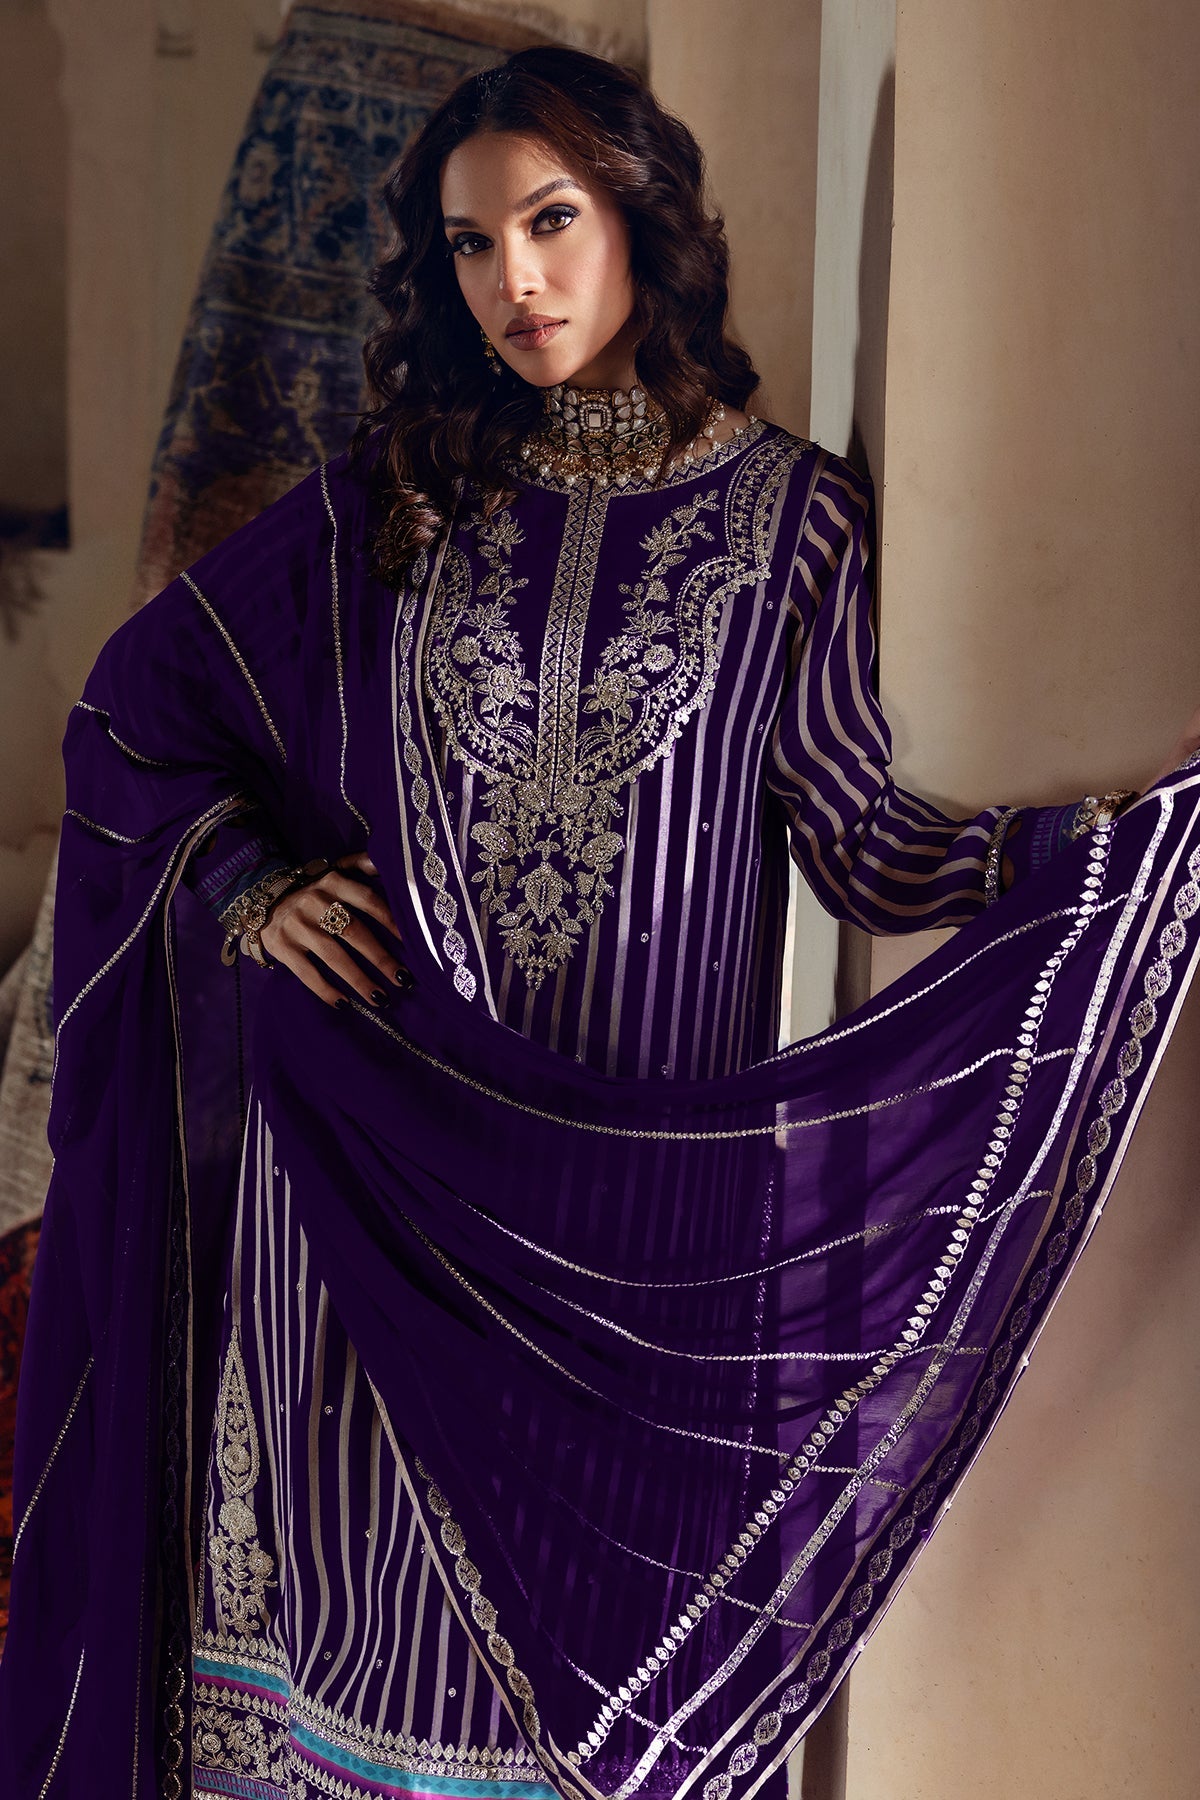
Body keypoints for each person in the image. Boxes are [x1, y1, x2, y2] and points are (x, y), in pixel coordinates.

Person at [3, 45, 1199, 1800]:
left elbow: (861, 844)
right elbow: (133, 715)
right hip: (365, 1208)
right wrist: (251, 886)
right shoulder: (391, 509)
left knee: (585, 1703)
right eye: (472, 244)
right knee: (338, 1679)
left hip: (630, 1227)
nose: (517, 279)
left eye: (551, 222)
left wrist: (1094, 859)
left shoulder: (794, 524)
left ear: (641, 216)